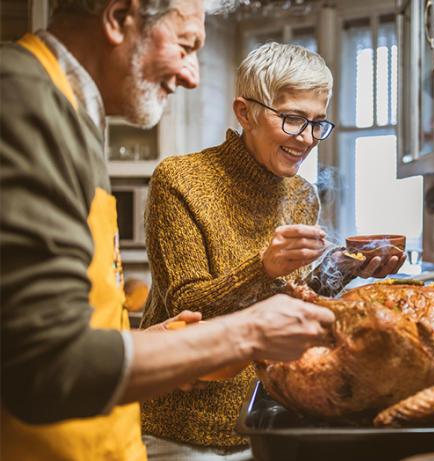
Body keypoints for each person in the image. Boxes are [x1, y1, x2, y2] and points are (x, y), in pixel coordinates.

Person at [0, 2, 335, 460]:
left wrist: (158, 340)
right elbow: (44, 362)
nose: (193, 76)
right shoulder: (24, 97)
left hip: (109, 437)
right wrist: (248, 329)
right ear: (119, 18)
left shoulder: (71, 112)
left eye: (317, 124)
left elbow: (78, 323)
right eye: (185, 45)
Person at [140, 42, 407, 458]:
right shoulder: (179, 180)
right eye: (293, 119)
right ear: (245, 113)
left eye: (318, 123)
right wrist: (262, 267)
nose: (308, 139)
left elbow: (294, 297)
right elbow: (186, 312)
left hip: (269, 414)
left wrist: (343, 268)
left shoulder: (302, 195)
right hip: (182, 429)